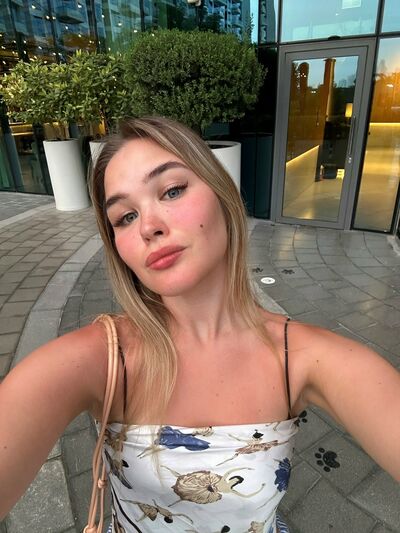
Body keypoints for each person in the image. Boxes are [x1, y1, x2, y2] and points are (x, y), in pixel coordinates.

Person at [0, 116, 399, 533]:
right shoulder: (103, 358)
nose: (149, 226)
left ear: (222, 194)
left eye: (172, 190)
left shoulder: (302, 358)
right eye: (125, 217)